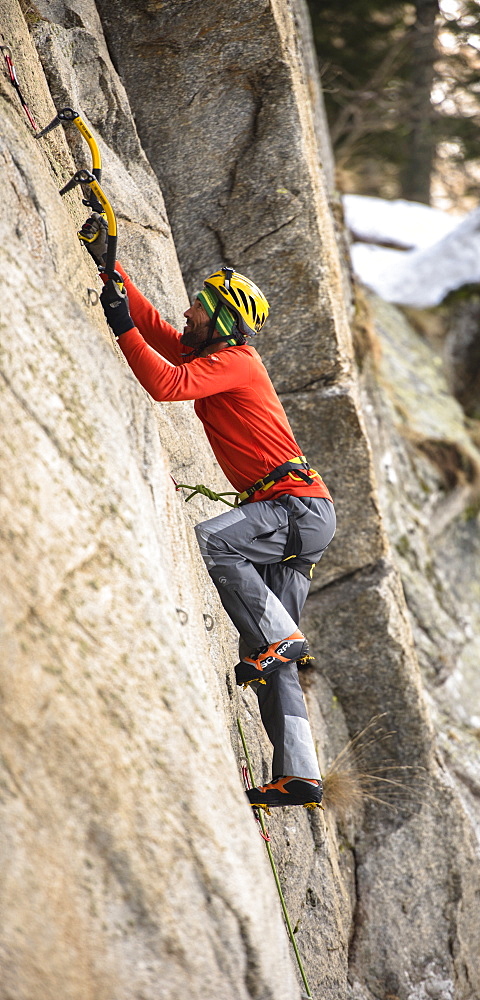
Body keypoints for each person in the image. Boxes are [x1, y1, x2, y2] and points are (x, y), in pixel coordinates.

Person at [81, 214, 335, 809]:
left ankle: (283, 638)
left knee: (216, 542)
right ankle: (300, 774)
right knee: (273, 661)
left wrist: (119, 328)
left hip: (292, 508)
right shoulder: (217, 358)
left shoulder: (239, 361)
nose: (189, 312)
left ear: (223, 321)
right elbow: (164, 338)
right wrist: (109, 264)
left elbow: (165, 383)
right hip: (302, 515)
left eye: (199, 307)